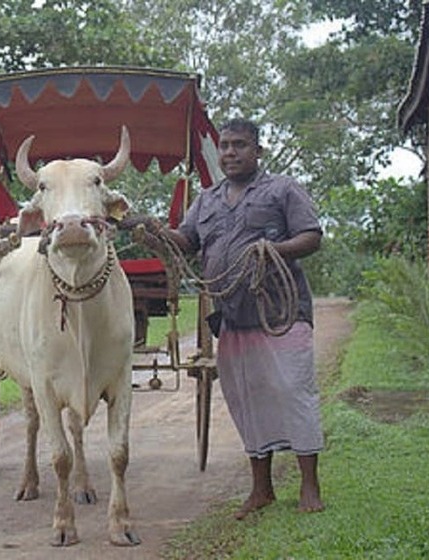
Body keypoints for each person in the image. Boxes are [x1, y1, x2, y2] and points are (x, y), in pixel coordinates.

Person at [162, 117, 325, 519]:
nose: (230, 153)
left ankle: (309, 485)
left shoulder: (282, 189)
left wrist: (274, 250)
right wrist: (156, 233)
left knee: (292, 391)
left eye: (239, 145)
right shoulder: (206, 200)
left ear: (258, 151)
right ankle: (261, 489)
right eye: (225, 146)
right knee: (247, 401)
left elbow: (312, 236)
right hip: (232, 317)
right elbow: (187, 242)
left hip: (281, 314)